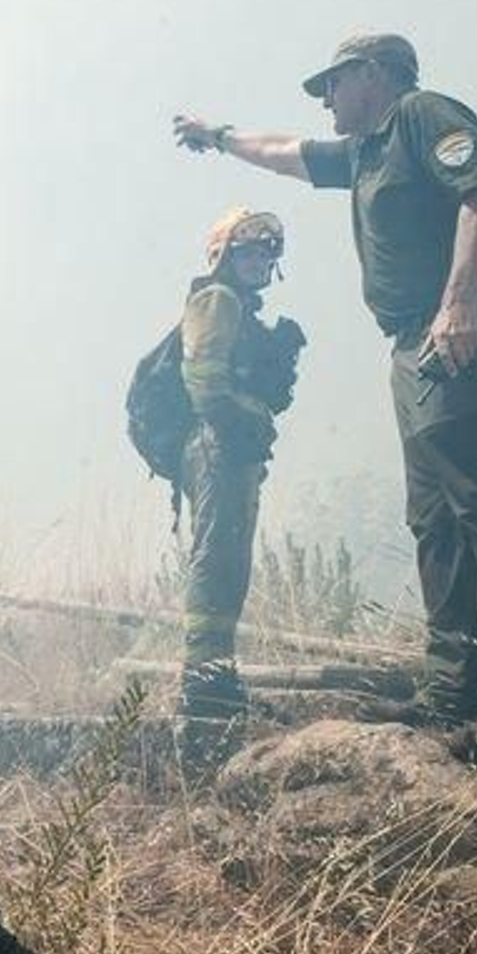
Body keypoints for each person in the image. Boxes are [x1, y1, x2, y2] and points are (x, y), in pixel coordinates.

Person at [173, 33, 477, 752]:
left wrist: (461, 304)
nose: (325, 98)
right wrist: (219, 136)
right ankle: (456, 689)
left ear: (375, 75)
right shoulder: (363, 151)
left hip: (468, 323)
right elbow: (286, 151)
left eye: (335, 82)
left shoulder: (421, 115)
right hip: (415, 342)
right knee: (435, 514)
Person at [177, 208, 303, 758]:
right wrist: (238, 423)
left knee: (231, 559)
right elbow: (202, 377)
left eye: (267, 253)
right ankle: (204, 682)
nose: (261, 261)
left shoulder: (241, 310)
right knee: (217, 558)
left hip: (233, 446)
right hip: (218, 444)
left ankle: (216, 671)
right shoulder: (218, 300)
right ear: (224, 256)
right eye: (250, 251)